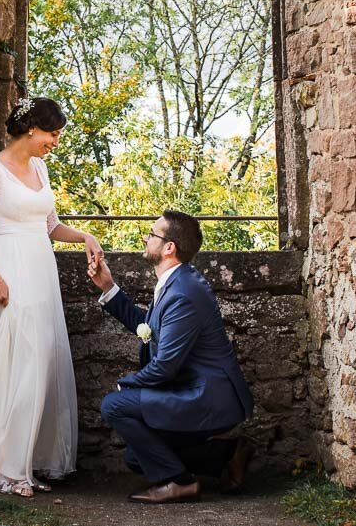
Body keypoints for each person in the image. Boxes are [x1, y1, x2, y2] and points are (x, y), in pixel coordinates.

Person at [0, 96, 103, 497]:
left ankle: (28, 461)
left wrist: (85, 236)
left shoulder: (40, 167)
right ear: (32, 128)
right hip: (7, 269)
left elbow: (50, 225)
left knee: (40, 364)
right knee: (13, 365)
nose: (54, 141)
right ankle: (3, 467)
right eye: (52, 134)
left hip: (40, 270)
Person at [87, 211, 254, 504]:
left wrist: (125, 386)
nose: (145, 238)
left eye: (152, 234)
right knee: (137, 457)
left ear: (169, 247)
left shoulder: (184, 293)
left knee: (114, 406)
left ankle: (180, 482)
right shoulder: (176, 283)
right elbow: (147, 329)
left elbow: (165, 366)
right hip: (193, 390)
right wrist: (109, 288)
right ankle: (228, 454)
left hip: (206, 397)